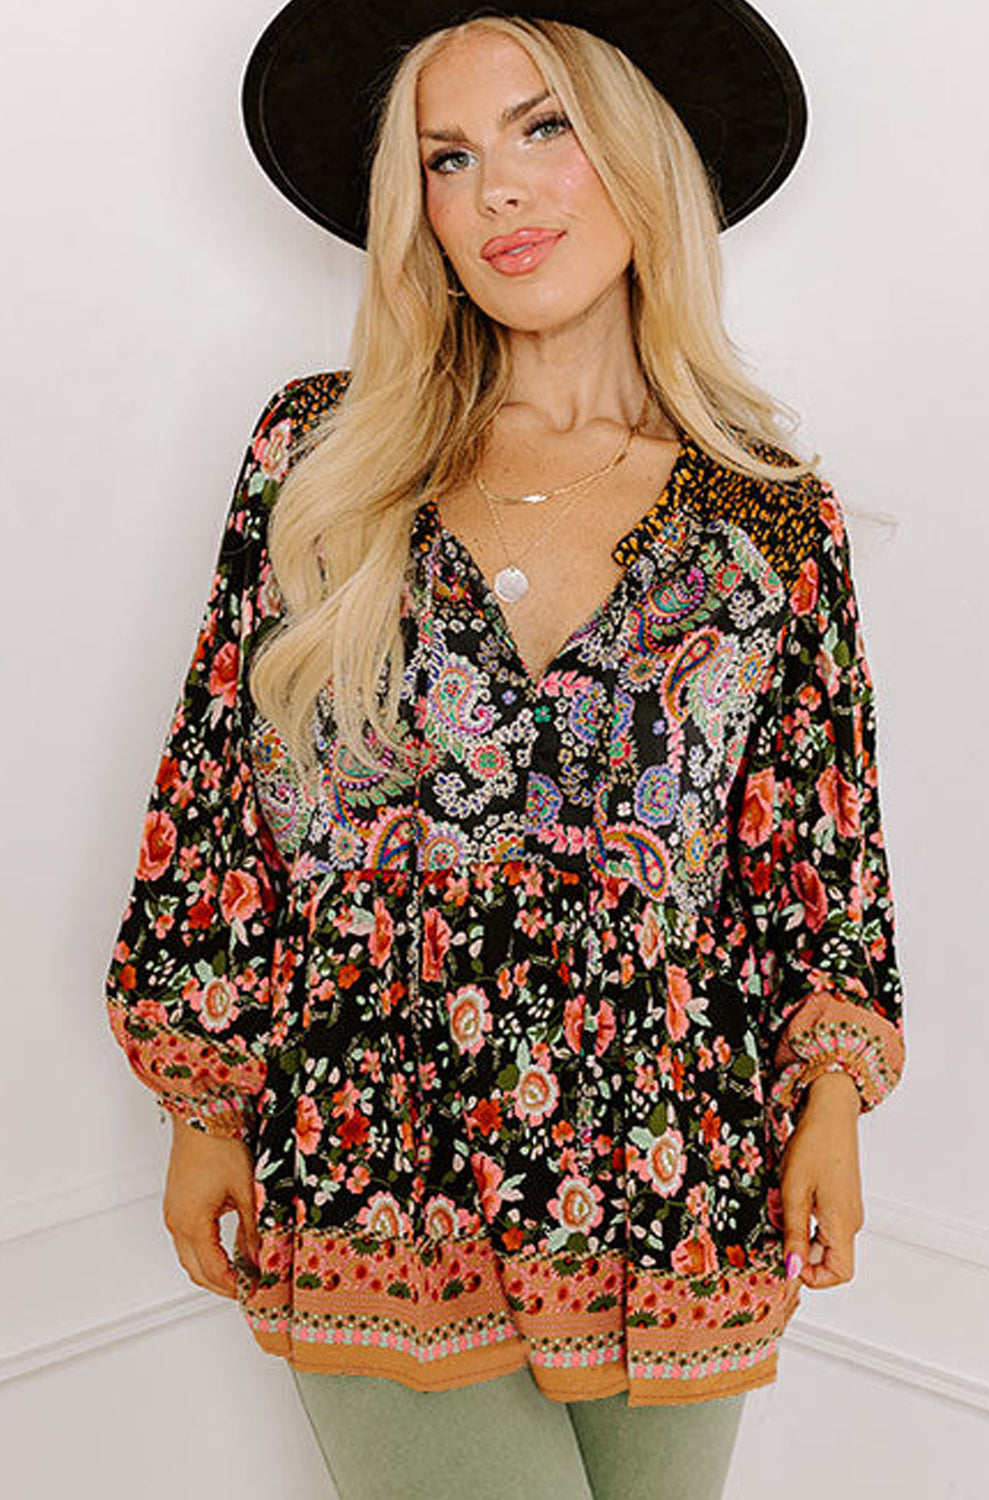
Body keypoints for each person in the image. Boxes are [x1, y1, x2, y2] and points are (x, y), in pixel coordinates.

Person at [105, 4, 905, 1497]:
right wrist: (204, 1106)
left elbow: (818, 845)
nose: (499, 192)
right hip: (377, 1155)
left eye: (546, 128)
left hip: (678, 1169)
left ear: (642, 155)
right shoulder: (321, 456)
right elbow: (214, 794)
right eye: (448, 156)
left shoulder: (767, 513)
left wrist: (833, 1103)